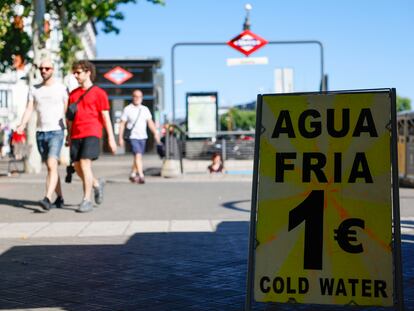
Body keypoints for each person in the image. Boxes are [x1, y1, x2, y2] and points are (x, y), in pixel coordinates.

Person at [17, 58, 68, 211]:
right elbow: (29, 109)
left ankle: (47, 199)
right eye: (41, 69)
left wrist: (69, 131)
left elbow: (67, 111)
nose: (44, 71)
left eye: (47, 68)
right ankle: (60, 197)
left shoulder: (61, 88)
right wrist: (22, 124)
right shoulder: (34, 89)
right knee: (51, 168)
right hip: (41, 133)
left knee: (52, 164)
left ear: (53, 69)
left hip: (56, 132)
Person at [67, 60, 117, 212]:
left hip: (92, 132)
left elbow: (106, 117)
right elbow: (69, 118)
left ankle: (86, 200)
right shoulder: (73, 94)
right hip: (75, 134)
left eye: (78, 72)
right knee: (77, 166)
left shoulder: (99, 93)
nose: (75, 75)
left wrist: (111, 138)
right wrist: (68, 137)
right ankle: (96, 183)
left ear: (88, 72)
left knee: (84, 163)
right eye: (74, 72)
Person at [118, 89, 161, 184]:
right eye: (135, 96)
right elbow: (122, 124)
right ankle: (141, 175)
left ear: (142, 98)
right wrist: (120, 138)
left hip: (143, 136)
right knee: (138, 155)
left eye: (139, 96)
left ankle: (133, 173)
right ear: (132, 97)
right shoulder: (127, 109)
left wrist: (155, 133)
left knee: (138, 157)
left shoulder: (145, 109)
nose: (137, 98)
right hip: (133, 136)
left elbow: (150, 123)